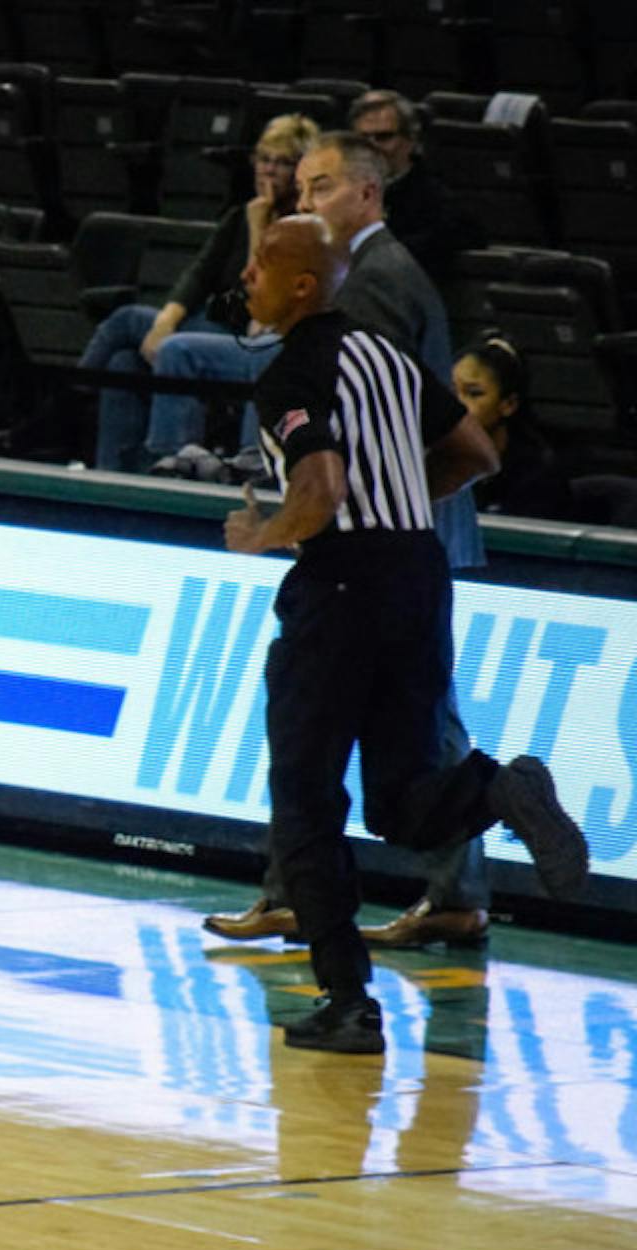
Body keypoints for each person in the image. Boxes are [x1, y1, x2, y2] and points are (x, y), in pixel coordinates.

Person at [220, 215, 588, 1053]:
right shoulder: (389, 357)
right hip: (418, 576)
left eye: (261, 266)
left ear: (303, 285)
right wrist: (396, 506)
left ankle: (349, 1002)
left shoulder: (290, 375)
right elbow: (473, 455)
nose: (246, 279)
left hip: (340, 588)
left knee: (306, 800)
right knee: (401, 801)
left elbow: (318, 484)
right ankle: (499, 789)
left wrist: (268, 534)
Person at [84, 113, 318, 474]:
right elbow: (198, 275)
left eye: (282, 163)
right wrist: (165, 321)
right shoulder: (240, 215)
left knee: (156, 337)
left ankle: (168, 461)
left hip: (250, 340)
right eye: (263, 159)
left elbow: (259, 303)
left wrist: (259, 225)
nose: (268, 171)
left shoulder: (300, 227)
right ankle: (110, 474)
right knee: (124, 358)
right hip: (213, 325)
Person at [347, 88, 481, 280]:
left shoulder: (433, 196)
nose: (372, 147)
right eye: (363, 139)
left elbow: (464, 233)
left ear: (411, 140)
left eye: (383, 137)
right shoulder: (339, 190)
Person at [455, 334, 572, 522]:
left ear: (509, 404)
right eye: (452, 391)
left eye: (474, 393)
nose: (457, 403)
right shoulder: (440, 460)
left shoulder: (538, 476)